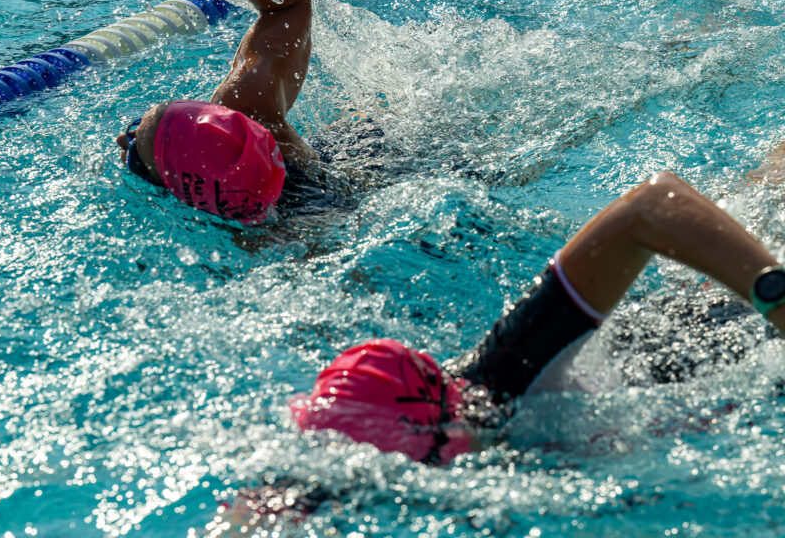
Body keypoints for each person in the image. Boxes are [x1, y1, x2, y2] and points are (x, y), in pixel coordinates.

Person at [290, 171, 785, 462]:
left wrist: (775, 298)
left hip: (730, 330)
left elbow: (651, 204)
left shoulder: (511, 366)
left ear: (449, 439)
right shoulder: (448, 443)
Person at [48, 0, 319, 223]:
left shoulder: (258, 254)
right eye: (136, 131)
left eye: (137, 148)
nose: (120, 140)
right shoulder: (253, 113)